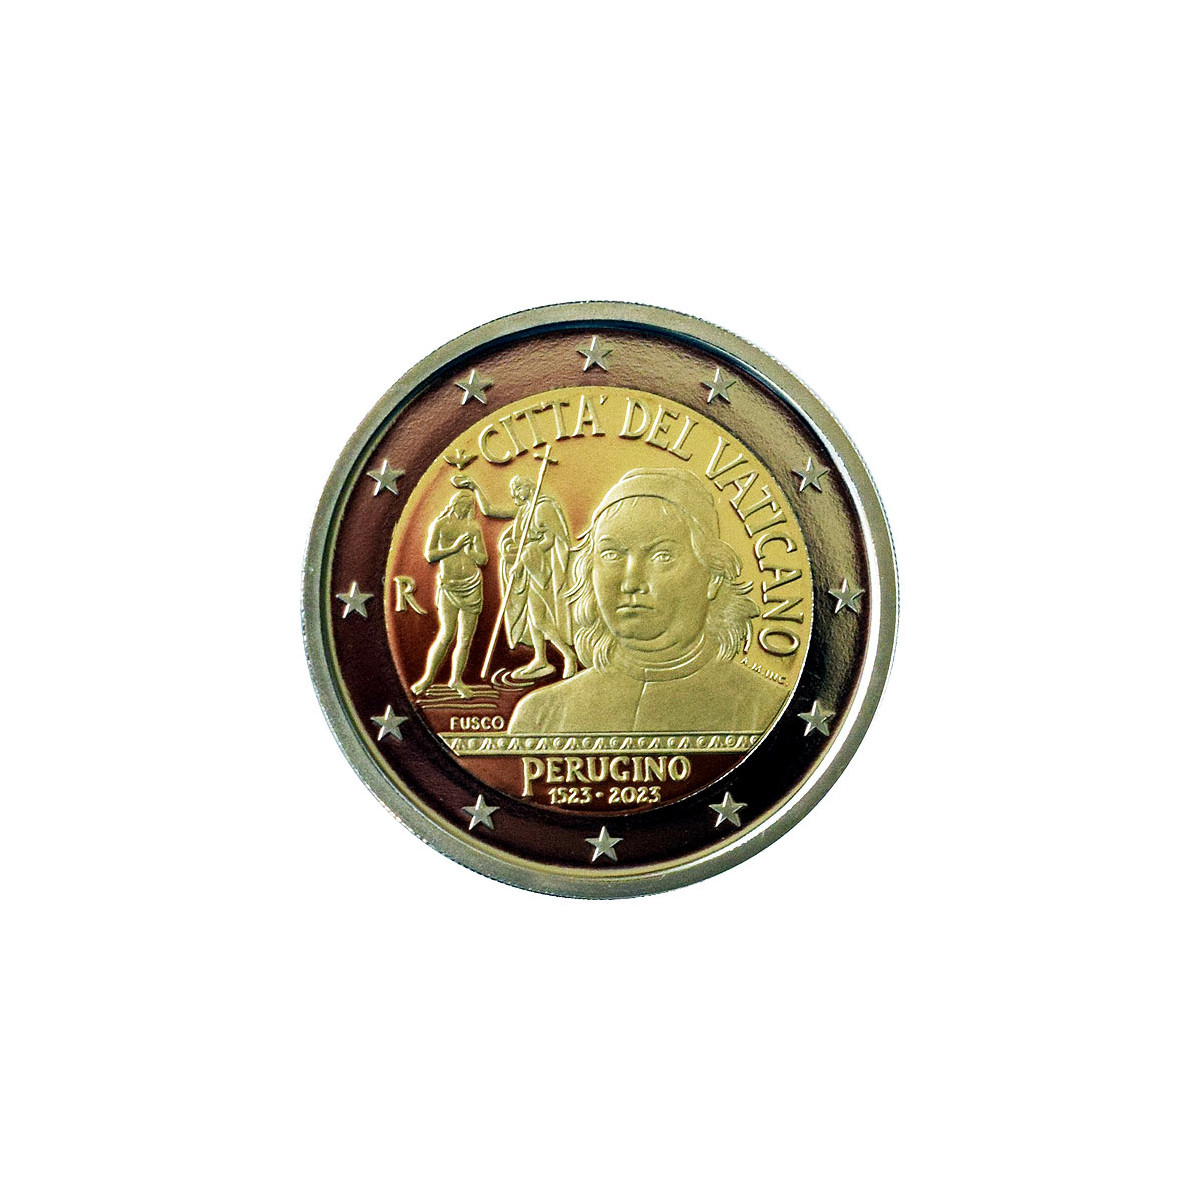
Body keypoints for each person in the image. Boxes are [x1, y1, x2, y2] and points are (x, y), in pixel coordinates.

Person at [508, 468, 783, 734]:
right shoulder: (540, 717)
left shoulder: (769, 712)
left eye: (662, 556)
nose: (631, 583)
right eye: (612, 555)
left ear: (713, 576)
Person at [454, 474, 578, 682]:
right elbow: (489, 511)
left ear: (528, 487)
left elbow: (552, 539)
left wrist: (525, 557)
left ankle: (568, 656)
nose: (515, 495)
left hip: (542, 571)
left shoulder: (543, 508)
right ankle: (540, 659)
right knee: (533, 618)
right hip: (528, 570)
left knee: (539, 618)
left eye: (518, 489)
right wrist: (475, 487)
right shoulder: (524, 510)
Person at [412, 490, 487, 697]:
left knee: (465, 638)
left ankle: (456, 680)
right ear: (454, 504)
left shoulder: (473, 527)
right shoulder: (440, 525)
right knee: (446, 634)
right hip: (449, 586)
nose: (465, 510)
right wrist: (454, 548)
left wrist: (471, 552)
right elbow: (430, 555)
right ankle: (428, 678)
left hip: (472, 585)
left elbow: (483, 559)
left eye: (468, 507)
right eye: (462, 506)